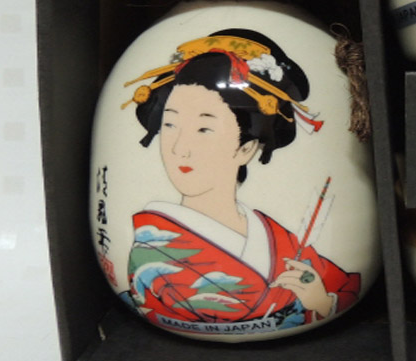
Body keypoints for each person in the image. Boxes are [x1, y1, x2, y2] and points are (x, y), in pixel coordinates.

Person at [121, 28, 360, 335]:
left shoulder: (281, 242)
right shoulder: (152, 245)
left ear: (247, 148)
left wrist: (321, 300)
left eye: (204, 129)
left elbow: (343, 287)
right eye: (169, 124)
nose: (179, 148)